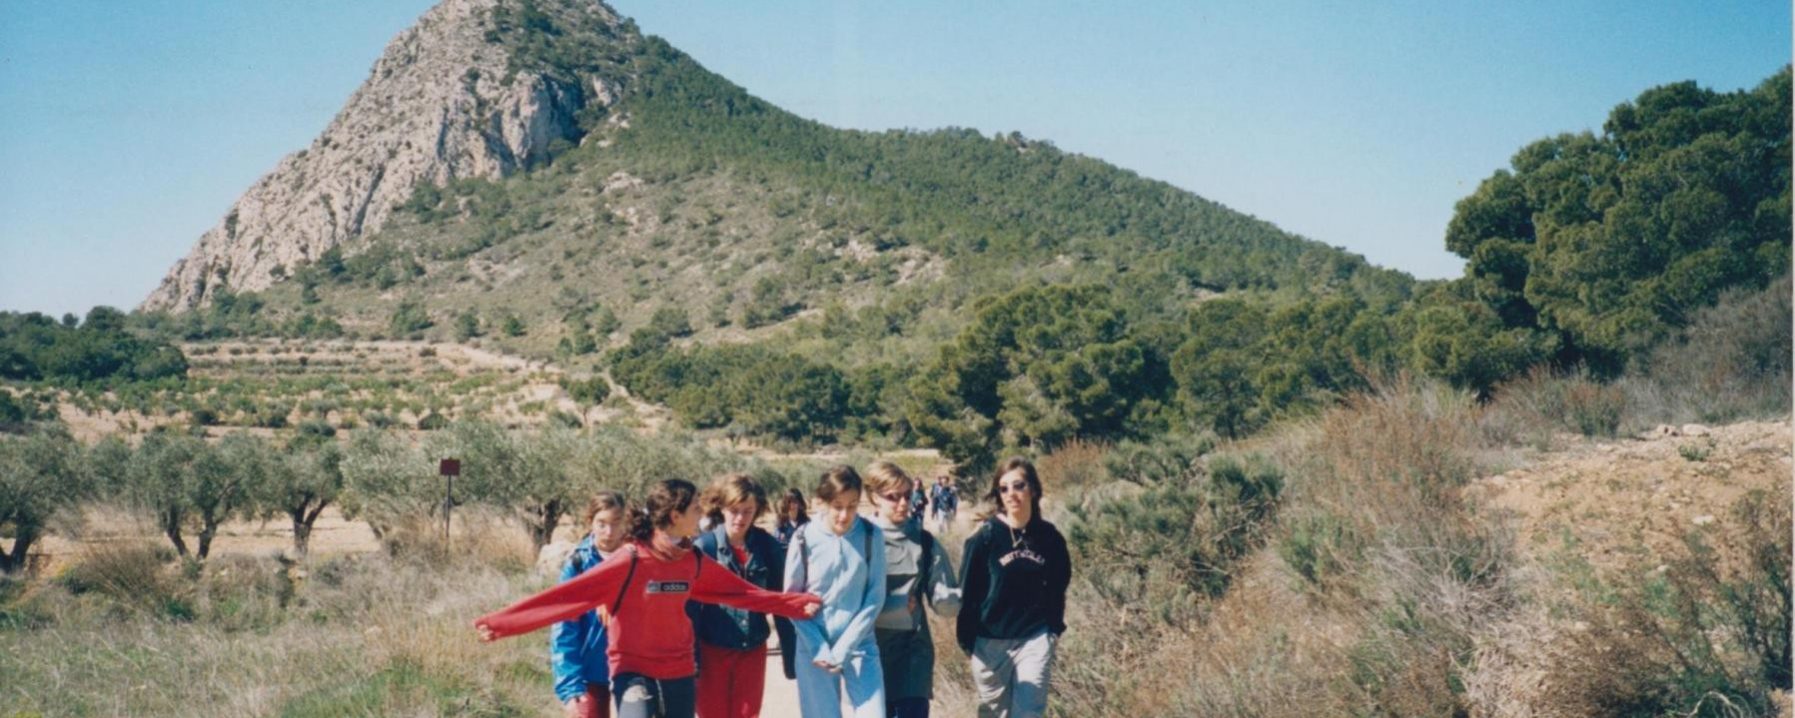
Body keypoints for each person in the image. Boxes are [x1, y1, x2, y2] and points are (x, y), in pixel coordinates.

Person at [475, 479, 823, 718]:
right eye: (695, 509)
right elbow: (567, 598)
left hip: (678, 671)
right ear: (675, 516)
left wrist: (795, 605)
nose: (701, 515)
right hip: (632, 671)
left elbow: (742, 593)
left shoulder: (691, 560)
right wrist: (502, 624)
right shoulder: (630, 560)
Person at [955, 458, 1071, 718]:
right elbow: (968, 593)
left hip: (1034, 639)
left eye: (1019, 485)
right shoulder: (985, 538)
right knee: (993, 713)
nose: (1011, 494)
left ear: (1033, 489)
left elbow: (1059, 584)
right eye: (1003, 488)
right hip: (990, 642)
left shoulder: (1049, 538)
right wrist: (968, 641)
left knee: (1028, 712)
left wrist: (1053, 629)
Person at [688, 474, 793, 718]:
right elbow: (690, 609)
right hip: (712, 649)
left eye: (748, 511)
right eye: (734, 510)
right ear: (722, 508)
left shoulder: (768, 546)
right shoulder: (704, 548)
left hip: (753, 649)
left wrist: (790, 655)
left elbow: (781, 602)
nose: (740, 518)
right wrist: (692, 657)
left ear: (757, 510)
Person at [787, 465, 887, 718]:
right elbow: (791, 600)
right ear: (822, 502)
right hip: (813, 646)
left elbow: (875, 596)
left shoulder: (872, 535)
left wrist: (845, 647)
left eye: (852, 506)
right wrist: (819, 647)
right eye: (837, 506)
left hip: (861, 643)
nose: (845, 515)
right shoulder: (803, 537)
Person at [865, 461, 961, 718]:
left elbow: (943, 600)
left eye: (907, 495)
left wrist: (957, 597)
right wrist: (895, 606)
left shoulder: (925, 542)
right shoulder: (860, 540)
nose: (903, 503)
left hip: (912, 656)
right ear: (874, 497)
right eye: (893, 497)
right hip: (870, 655)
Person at [552, 491, 630, 718]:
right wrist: (570, 686)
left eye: (616, 523)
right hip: (590, 674)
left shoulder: (637, 560)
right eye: (602, 523)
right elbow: (564, 628)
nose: (609, 532)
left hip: (631, 671)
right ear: (590, 522)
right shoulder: (578, 565)